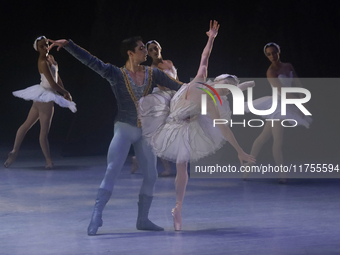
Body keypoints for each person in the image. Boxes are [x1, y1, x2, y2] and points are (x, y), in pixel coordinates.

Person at [47, 35, 183, 235]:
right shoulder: (115, 73)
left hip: (145, 131)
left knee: (152, 175)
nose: (145, 51)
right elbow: (91, 61)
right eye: (140, 48)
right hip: (124, 128)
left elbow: (179, 87)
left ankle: (143, 219)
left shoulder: (153, 73)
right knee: (112, 170)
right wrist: (69, 45)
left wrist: (204, 89)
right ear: (130, 53)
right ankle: (96, 215)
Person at [138, 20, 256, 231]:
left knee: (183, 167)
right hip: (170, 111)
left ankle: (178, 208)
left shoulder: (212, 103)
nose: (224, 92)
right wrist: (210, 38)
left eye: (228, 91)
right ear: (218, 82)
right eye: (226, 88)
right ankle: (241, 87)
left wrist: (239, 150)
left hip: (185, 122)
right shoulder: (201, 79)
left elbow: (223, 128)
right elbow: (204, 56)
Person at [243, 42, 312, 183]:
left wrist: (302, 101)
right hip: (277, 105)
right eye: (268, 54)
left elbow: (299, 84)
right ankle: (282, 175)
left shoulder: (288, 66)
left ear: (279, 51)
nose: (272, 56)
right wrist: (300, 107)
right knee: (278, 141)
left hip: (287, 103)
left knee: (263, 137)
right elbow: (283, 92)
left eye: (274, 52)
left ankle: (248, 167)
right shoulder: (270, 72)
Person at [4, 36, 76, 170]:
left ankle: (14, 151)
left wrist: (64, 89)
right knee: (43, 133)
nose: (45, 48)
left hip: (41, 96)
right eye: (42, 46)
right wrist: (65, 93)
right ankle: (49, 161)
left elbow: (57, 78)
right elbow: (53, 84)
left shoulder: (50, 59)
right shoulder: (42, 61)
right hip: (45, 98)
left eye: (47, 44)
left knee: (26, 125)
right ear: (37, 49)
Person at [131, 39, 178, 176]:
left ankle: (137, 159)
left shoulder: (169, 63)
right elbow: (163, 87)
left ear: (160, 48)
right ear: (148, 53)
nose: (153, 51)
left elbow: (176, 79)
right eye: (150, 50)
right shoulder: (152, 69)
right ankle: (167, 168)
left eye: (155, 48)